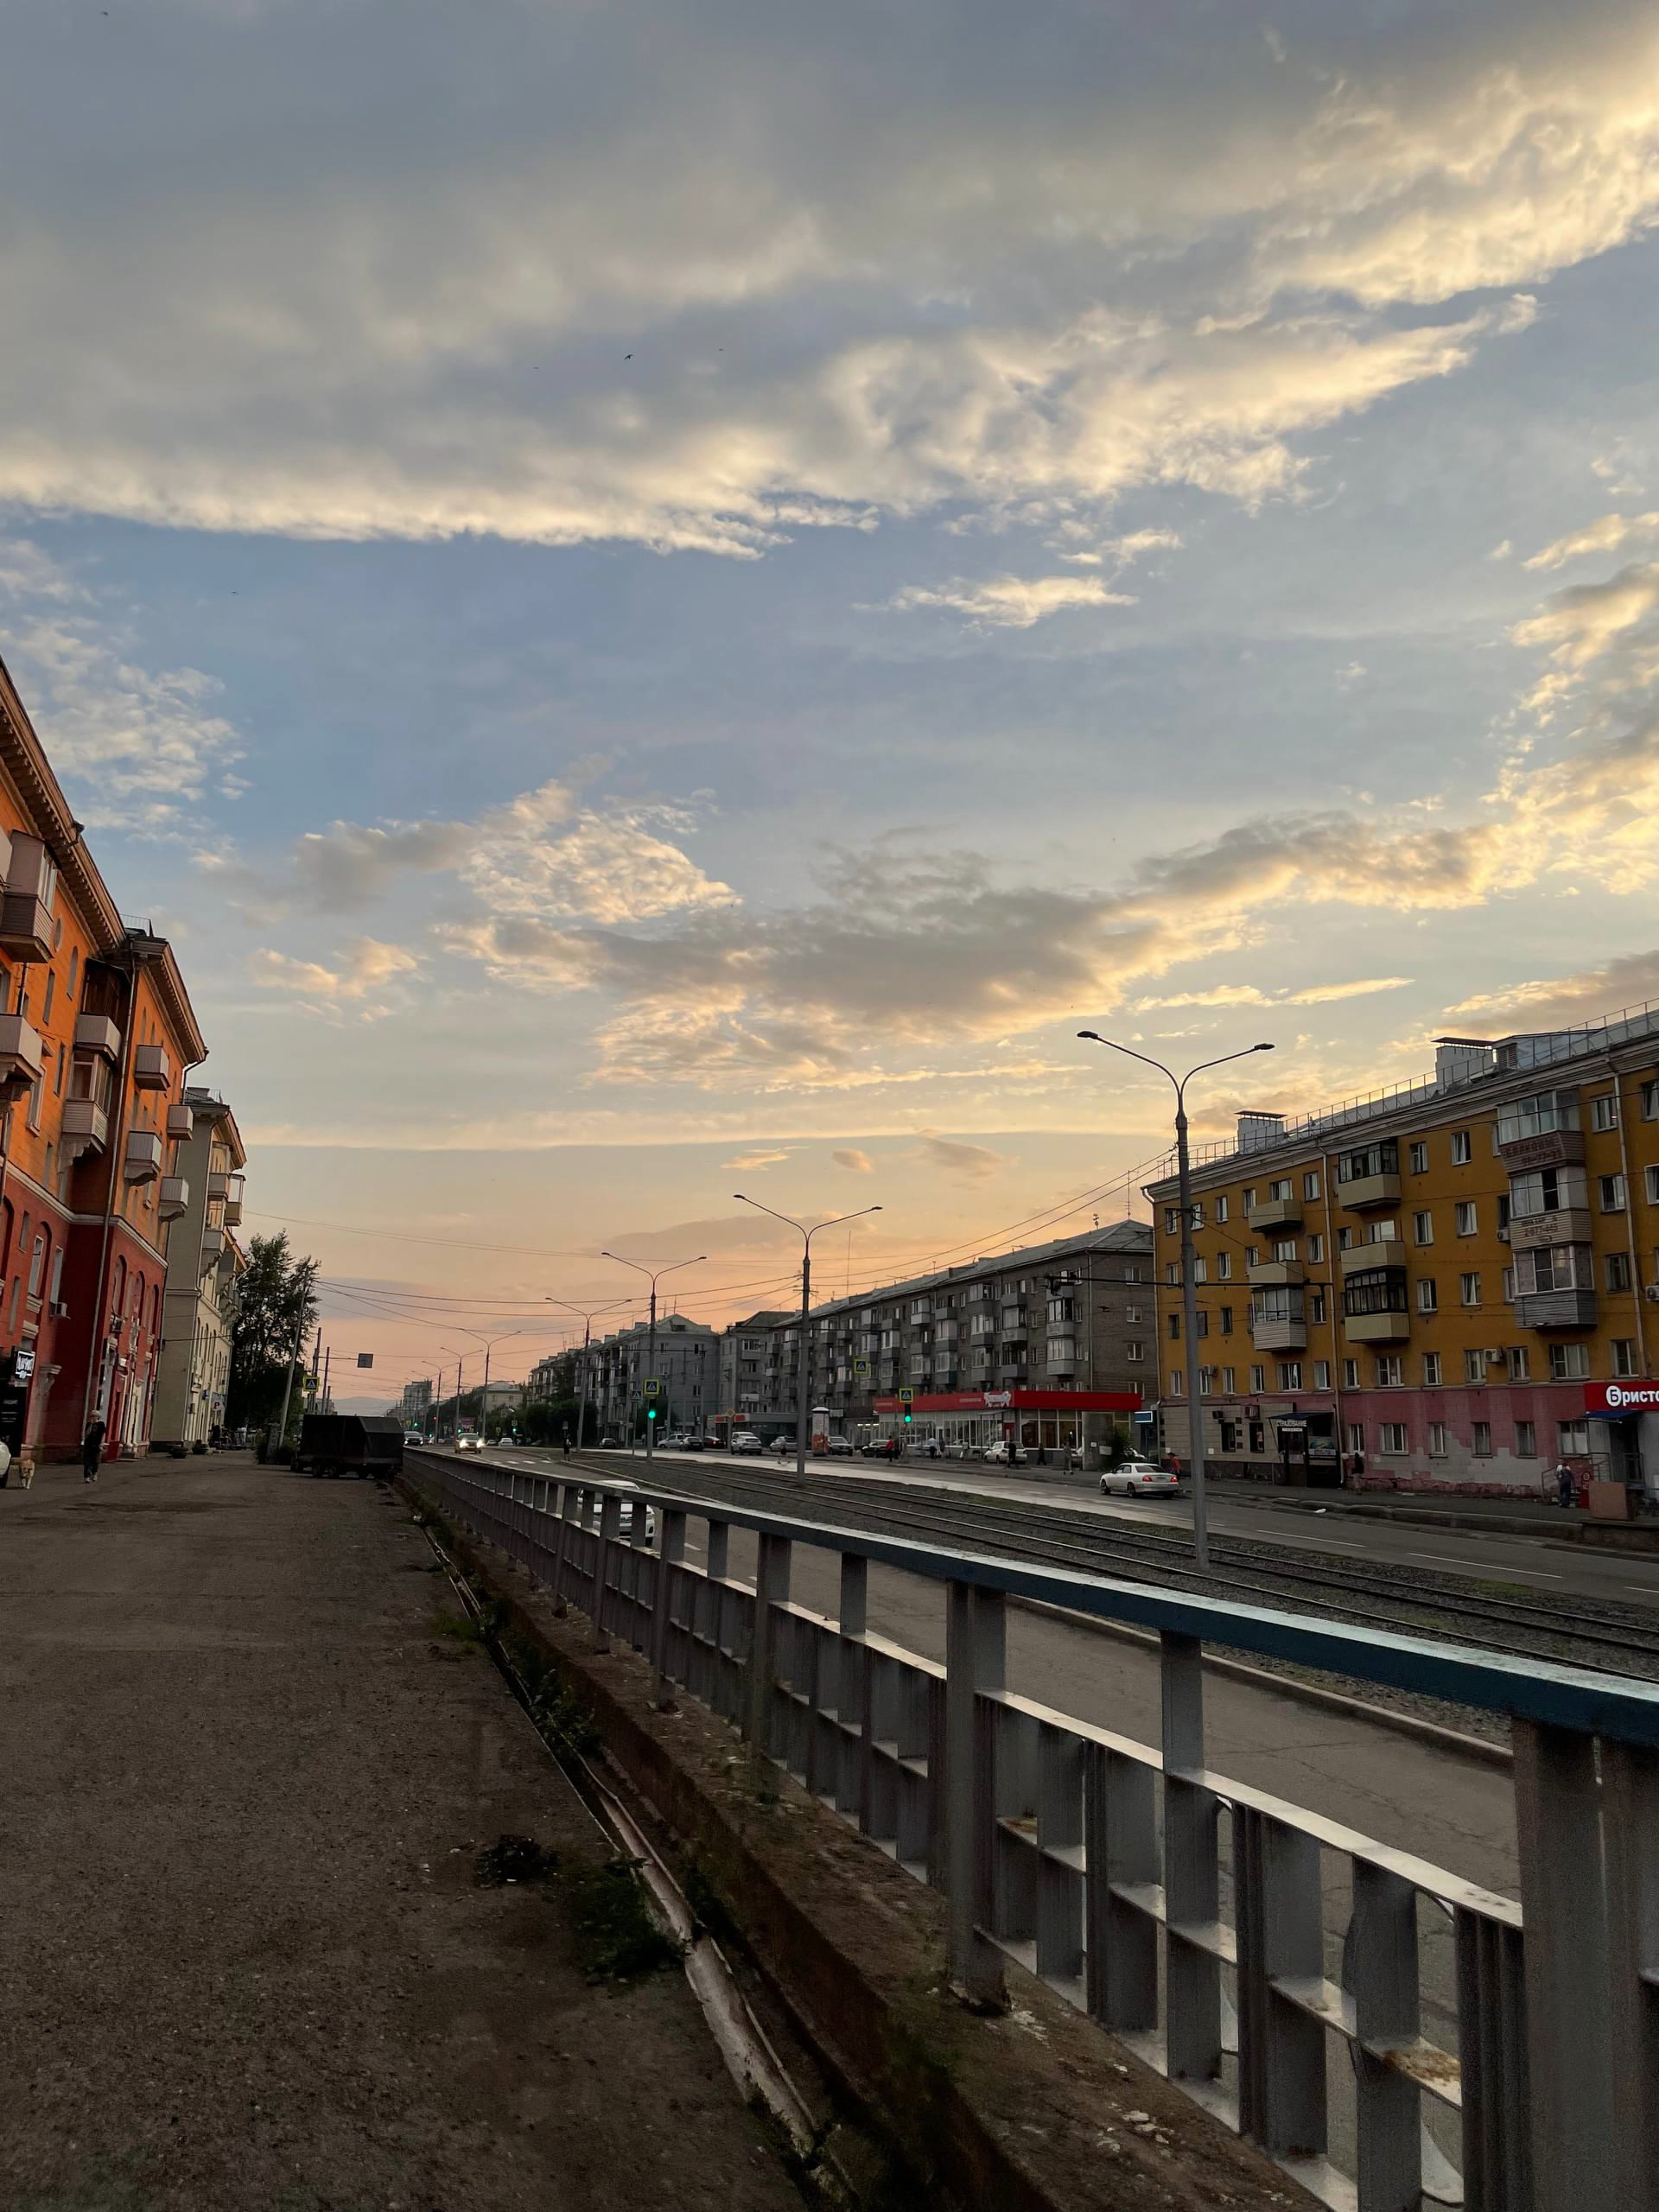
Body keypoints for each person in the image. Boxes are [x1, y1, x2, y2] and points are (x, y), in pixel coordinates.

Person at [81, 1417, 105, 1484]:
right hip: (88, 1445)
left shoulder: (101, 1424)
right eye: (91, 1416)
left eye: (94, 1416)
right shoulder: (89, 1424)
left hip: (97, 1445)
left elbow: (103, 1435)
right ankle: (87, 1477)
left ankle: (94, 1473)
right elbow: (87, 1433)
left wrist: (101, 1444)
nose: (92, 1417)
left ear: (97, 1417)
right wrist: (91, 1424)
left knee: (95, 1461)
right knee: (87, 1462)